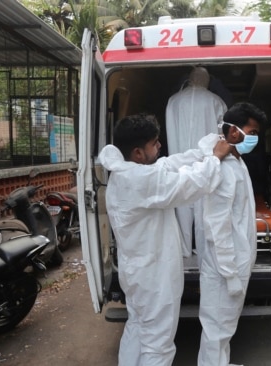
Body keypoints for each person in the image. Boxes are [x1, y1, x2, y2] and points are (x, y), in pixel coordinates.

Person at [97, 113, 232, 366]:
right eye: (154, 143)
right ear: (138, 152)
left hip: (137, 273)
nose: (160, 146)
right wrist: (215, 159)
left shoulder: (126, 170)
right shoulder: (139, 180)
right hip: (153, 278)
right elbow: (190, 184)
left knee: (138, 329)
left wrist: (201, 152)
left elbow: (169, 164)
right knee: (157, 345)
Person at [196, 102, 267, 366]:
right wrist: (229, 272)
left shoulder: (236, 162)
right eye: (253, 131)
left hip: (234, 263)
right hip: (225, 268)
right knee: (216, 329)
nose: (256, 138)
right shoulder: (224, 169)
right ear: (235, 133)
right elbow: (217, 225)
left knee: (224, 327)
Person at [166, 66, 228, 257]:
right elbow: (223, 134)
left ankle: (184, 251)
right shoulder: (216, 101)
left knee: (182, 208)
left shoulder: (173, 101)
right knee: (204, 211)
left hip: (178, 165)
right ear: (206, 81)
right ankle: (203, 253)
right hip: (205, 164)